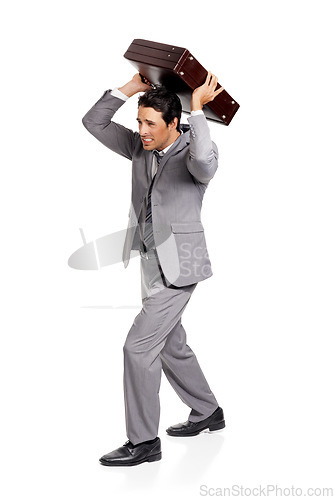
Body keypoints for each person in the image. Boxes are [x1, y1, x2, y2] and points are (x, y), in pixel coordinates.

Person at [82, 71, 225, 466]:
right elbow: (93, 122)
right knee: (170, 345)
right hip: (149, 259)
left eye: (150, 124)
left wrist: (198, 109)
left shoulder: (198, 151)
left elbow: (203, 164)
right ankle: (208, 411)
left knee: (138, 346)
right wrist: (129, 90)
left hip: (183, 264)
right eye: (139, 122)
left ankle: (144, 442)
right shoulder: (140, 148)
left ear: (173, 124)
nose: (142, 131)